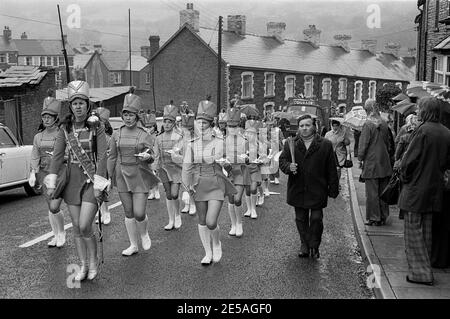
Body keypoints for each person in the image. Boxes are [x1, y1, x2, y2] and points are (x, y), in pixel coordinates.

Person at [45, 80, 109, 281]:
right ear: (70, 106)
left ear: (87, 104)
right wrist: (52, 179)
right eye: (74, 103)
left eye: (81, 102)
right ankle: (82, 265)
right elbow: (57, 156)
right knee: (76, 225)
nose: (78, 106)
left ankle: (93, 261)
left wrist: (99, 183)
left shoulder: (96, 127)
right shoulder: (65, 128)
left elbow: (101, 157)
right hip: (72, 179)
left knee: (84, 225)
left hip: (91, 180)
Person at [399, 96, 450, 285]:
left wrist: (405, 177)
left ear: (426, 110)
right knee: (426, 233)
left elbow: (408, 162)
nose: (417, 111)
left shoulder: (422, 131)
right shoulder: (446, 132)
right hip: (435, 191)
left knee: (413, 232)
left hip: (416, 190)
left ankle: (420, 274)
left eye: (419, 108)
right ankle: (425, 269)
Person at [182, 98, 237, 265]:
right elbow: (186, 168)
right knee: (202, 220)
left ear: (211, 123)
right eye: (199, 121)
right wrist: (185, 189)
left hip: (216, 183)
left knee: (211, 221)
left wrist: (226, 164)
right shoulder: (191, 144)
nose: (201, 125)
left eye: (205, 122)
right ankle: (207, 252)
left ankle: (217, 243)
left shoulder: (220, 142)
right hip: (198, 185)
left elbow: (230, 165)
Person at [279, 114, 339, 258]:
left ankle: (314, 244)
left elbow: (331, 167)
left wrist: (333, 188)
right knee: (301, 218)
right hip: (298, 187)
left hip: (318, 188)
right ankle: (304, 244)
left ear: (314, 126)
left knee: (316, 218)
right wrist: (289, 167)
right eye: (301, 126)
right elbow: (282, 161)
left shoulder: (325, 144)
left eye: (307, 125)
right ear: (298, 128)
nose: (304, 128)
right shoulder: (290, 144)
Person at [107, 92, 159, 256]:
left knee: (139, 213)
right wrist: (108, 177)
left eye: (131, 115)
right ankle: (133, 245)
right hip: (122, 175)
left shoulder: (144, 134)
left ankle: (144, 233)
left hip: (139, 175)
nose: (128, 118)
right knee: (128, 212)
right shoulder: (116, 133)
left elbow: (151, 156)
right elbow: (112, 156)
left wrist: (148, 156)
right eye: (125, 115)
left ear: (137, 116)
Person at [29, 89, 66, 248]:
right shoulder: (38, 136)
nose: (46, 119)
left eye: (49, 117)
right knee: (49, 206)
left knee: (55, 205)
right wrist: (33, 171)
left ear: (55, 118)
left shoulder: (62, 133)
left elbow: (70, 152)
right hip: (43, 173)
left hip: (59, 172)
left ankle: (62, 233)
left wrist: (61, 157)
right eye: (44, 116)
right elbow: (35, 155)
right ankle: (56, 235)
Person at [358, 99, 393, 226]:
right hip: (384, 162)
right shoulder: (384, 123)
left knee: (372, 193)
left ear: (367, 110)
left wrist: (360, 159)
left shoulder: (367, 124)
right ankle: (383, 216)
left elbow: (363, 144)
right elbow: (389, 143)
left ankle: (374, 218)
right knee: (383, 192)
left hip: (372, 162)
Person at [154, 104, 184, 230]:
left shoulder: (178, 137)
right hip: (164, 169)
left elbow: (182, 155)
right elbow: (156, 155)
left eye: (170, 122)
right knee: (168, 194)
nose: (167, 124)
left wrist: (175, 155)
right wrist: (155, 168)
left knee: (175, 193)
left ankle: (177, 215)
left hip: (176, 169)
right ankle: (170, 219)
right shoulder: (158, 138)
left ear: (173, 124)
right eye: (165, 122)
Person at [224, 106, 249, 237]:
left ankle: (239, 223)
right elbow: (220, 157)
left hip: (240, 172)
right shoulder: (223, 141)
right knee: (231, 199)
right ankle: (233, 224)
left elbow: (250, 157)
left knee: (238, 198)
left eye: (234, 126)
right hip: (228, 172)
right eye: (230, 126)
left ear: (239, 126)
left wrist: (246, 158)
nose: (232, 129)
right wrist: (223, 162)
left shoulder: (244, 141)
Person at [394, 114, 418, 220]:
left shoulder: (404, 136)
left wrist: (397, 160)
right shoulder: (419, 137)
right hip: (416, 166)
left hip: (404, 165)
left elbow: (397, 154)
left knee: (403, 187)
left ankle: (402, 212)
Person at [94, 106, 112, 225]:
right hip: (92, 166)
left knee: (103, 190)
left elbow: (112, 154)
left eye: (102, 123)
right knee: (95, 192)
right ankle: (101, 212)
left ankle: (107, 212)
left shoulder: (109, 139)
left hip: (104, 167)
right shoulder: (92, 138)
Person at [179, 101, 197, 215]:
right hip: (183, 162)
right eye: (185, 128)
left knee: (193, 184)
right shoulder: (180, 136)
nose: (187, 131)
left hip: (194, 164)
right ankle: (186, 204)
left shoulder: (196, 138)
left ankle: (193, 203)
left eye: (189, 129)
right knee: (185, 183)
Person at [141, 111, 161, 201]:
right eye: (146, 127)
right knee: (147, 176)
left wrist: (155, 163)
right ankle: (151, 192)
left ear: (154, 126)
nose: (148, 129)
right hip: (145, 159)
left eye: (150, 127)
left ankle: (156, 190)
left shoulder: (156, 137)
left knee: (154, 174)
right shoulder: (143, 137)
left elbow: (156, 152)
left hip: (154, 159)